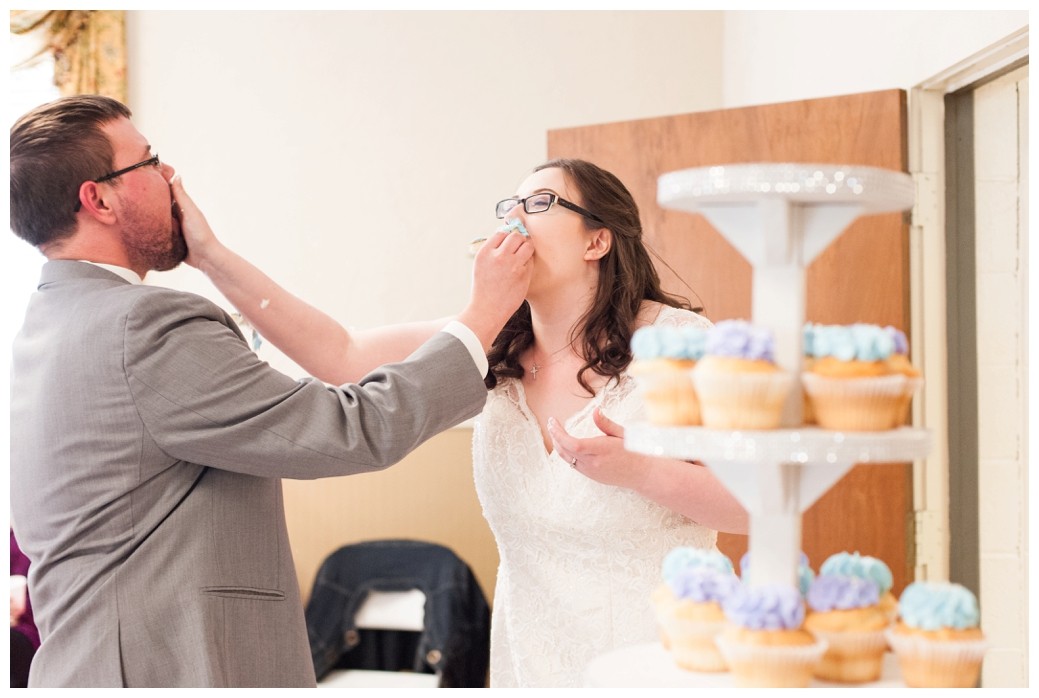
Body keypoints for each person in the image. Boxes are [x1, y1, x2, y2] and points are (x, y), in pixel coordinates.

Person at [7, 94, 533, 688]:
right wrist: (485, 312)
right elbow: (350, 429)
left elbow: (342, 353)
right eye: (150, 162)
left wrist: (208, 255)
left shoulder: (46, 326)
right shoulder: (142, 325)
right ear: (98, 198)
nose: (171, 177)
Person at [183, 157, 749, 687]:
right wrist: (208, 254)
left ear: (597, 240)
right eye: (509, 208)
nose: (515, 219)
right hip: (530, 660)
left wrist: (640, 471)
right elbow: (342, 353)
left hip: (664, 654)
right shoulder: (487, 346)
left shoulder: (679, 345)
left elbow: (750, 508)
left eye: (542, 202)